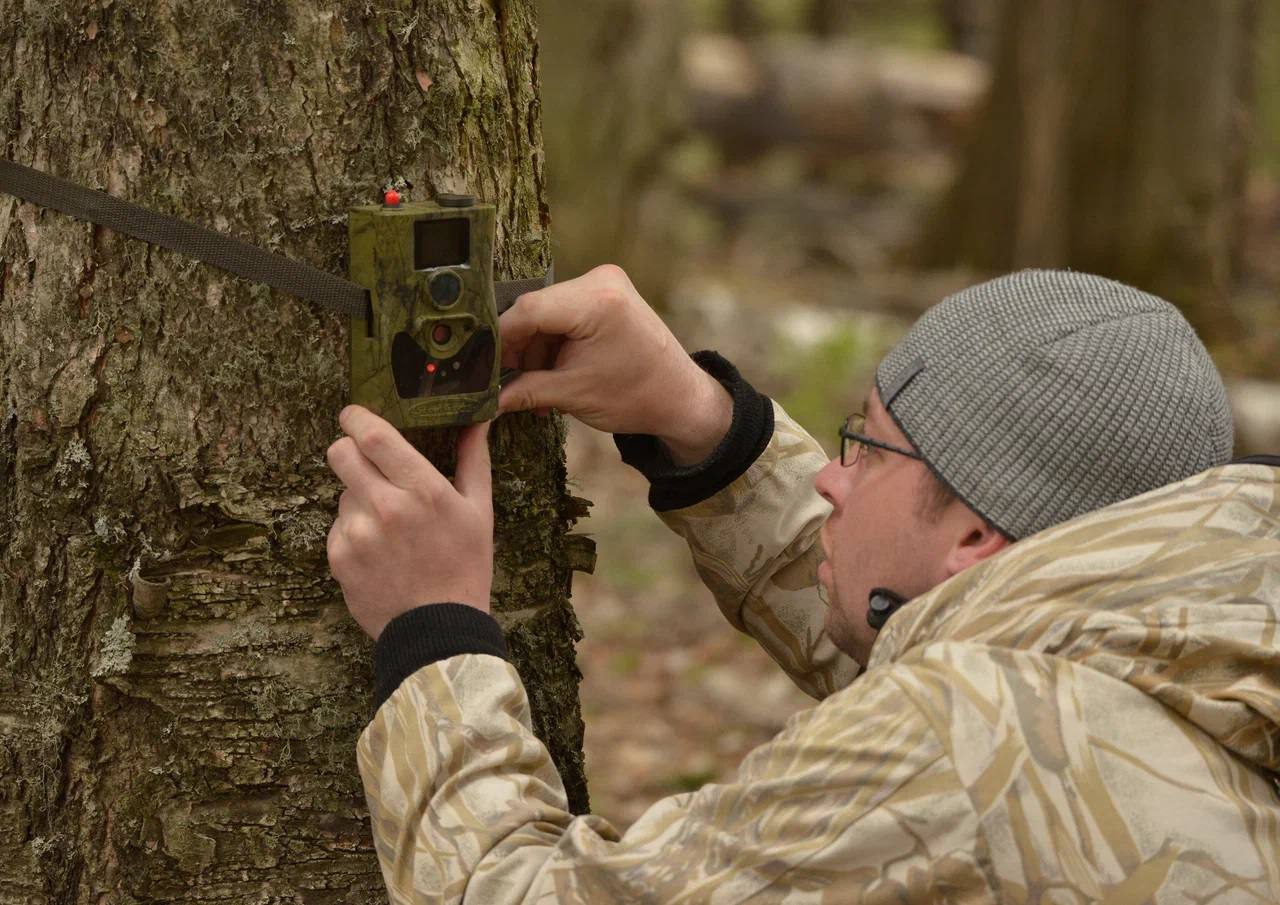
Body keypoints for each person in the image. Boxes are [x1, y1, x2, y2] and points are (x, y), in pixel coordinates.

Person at [326, 266, 1280, 903]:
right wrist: (707, 426)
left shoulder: (961, 746)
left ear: (980, 531)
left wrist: (434, 630)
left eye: (865, 446)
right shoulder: (1191, 663)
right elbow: (929, 637)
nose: (831, 474)